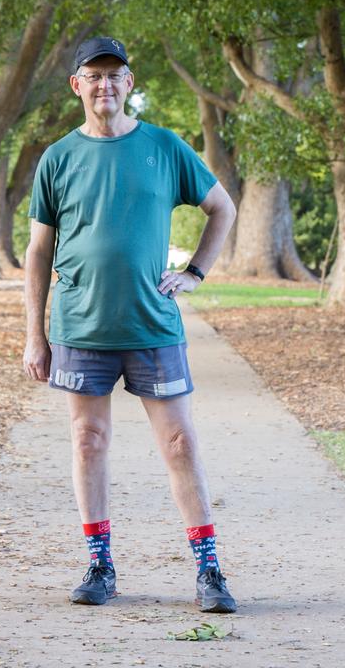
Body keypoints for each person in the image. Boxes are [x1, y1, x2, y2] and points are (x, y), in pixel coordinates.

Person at [21, 36, 238, 613]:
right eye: (93, 76)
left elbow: (223, 208)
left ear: (129, 83)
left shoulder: (164, 147)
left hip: (152, 326)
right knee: (88, 440)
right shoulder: (58, 158)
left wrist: (194, 272)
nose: (105, 85)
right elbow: (38, 251)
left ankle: (209, 572)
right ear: (77, 85)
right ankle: (99, 564)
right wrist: (34, 335)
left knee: (179, 442)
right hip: (80, 327)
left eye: (115, 75)